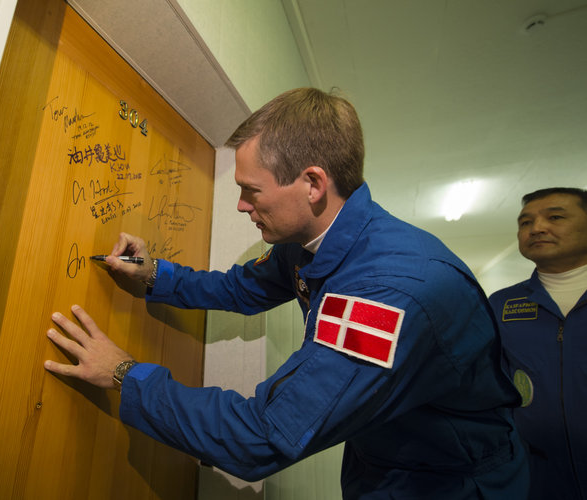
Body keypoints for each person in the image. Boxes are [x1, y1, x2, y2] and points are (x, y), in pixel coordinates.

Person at [44, 88, 528, 498]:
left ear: (312, 183)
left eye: (251, 190)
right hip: (385, 453)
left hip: (447, 483)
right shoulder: (313, 241)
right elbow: (241, 289)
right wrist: (153, 275)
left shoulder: (387, 293)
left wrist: (126, 374)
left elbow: (261, 436)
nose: (239, 205)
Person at [489, 187, 587, 500]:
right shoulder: (502, 305)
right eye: (525, 222)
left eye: (555, 217)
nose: (537, 228)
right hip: (533, 479)